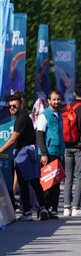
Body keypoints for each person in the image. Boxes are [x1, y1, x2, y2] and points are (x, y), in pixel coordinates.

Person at [0, 93, 49, 221]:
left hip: (24, 153)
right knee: (34, 182)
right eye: (10, 106)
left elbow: (13, 139)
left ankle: (27, 212)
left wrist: (0, 150)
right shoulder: (22, 117)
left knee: (24, 183)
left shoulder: (21, 118)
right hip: (29, 152)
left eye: (14, 106)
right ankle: (43, 208)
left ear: (21, 104)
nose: (11, 108)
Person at [35, 90, 65, 219]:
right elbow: (40, 134)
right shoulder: (44, 115)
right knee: (47, 183)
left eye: (58, 99)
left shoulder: (60, 114)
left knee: (56, 183)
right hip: (48, 153)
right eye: (54, 99)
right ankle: (44, 209)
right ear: (48, 101)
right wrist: (43, 153)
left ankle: (53, 208)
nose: (56, 102)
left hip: (58, 152)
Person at [63, 83, 81, 217]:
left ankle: (66, 207)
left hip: (66, 146)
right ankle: (76, 207)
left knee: (67, 177)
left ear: (74, 93)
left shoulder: (66, 107)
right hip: (80, 146)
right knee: (79, 177)